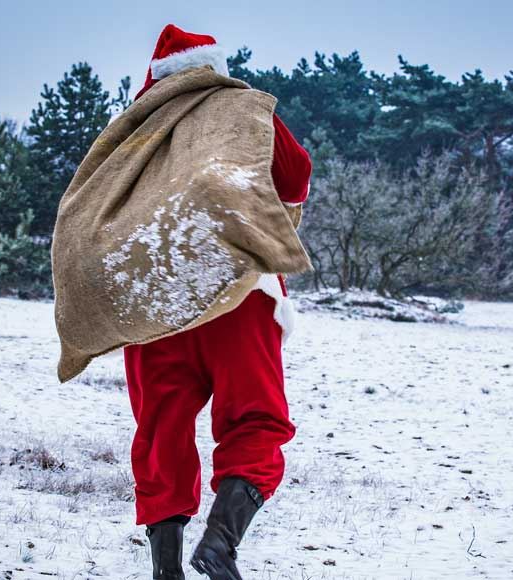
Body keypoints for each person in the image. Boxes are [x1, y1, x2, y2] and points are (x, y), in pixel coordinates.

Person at [122, 24, 312, 580]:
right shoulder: (243, 107)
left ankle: (166, 570)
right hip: (238, 293)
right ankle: (220, 544)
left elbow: (93, 209)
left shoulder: (130, 127)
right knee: (254, 418)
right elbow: (295, 177)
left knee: (161, 429)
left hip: (154, 300)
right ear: (213, 68)